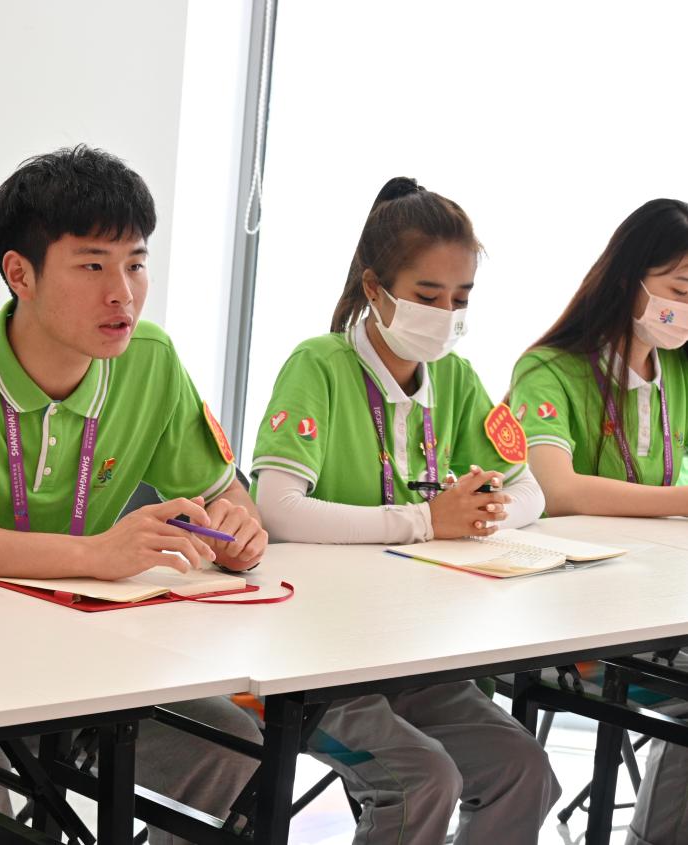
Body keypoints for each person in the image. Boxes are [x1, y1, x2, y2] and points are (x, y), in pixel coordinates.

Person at [0, 145, 268, 844]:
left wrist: (236, 532)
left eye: (136, 263)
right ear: (20, 273)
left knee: (229, 743)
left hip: (69, 658)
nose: (122, 292)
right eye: (93, 265)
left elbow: (234, 500)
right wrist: (92, 555)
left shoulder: (150, 360)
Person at [250, 177, 560, 844]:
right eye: (427, 295)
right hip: (319, 657)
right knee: (426, 778)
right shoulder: (318, 365)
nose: (446, 313)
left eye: (461, 298)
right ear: (374, 288)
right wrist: (425, 521)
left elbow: (531, 491)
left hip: (416, 650)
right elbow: (276, 508)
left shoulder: (458, 377)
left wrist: (483, 515)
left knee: (525, 769)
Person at [509, 198, 688, 845]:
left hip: (655, 602)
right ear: (629, 279)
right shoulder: (549, 369)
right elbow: (557, 490)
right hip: (565, 616)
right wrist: (682, 498)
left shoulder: (679, 370)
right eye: (682, 290)